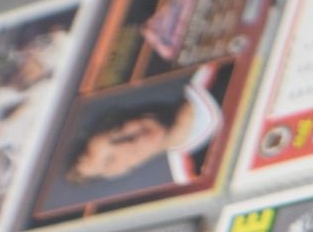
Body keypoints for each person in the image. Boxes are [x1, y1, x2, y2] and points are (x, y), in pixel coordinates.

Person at [62, 66, 226, 189]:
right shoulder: (193, 176)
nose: (128, 144)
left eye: (118, 131)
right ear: (119, 172)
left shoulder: (211, 73)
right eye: (110, 160)